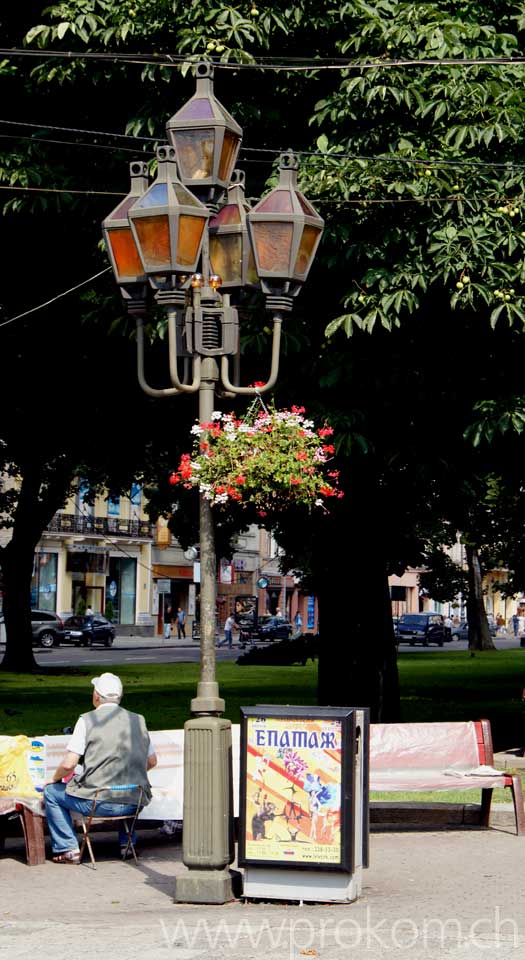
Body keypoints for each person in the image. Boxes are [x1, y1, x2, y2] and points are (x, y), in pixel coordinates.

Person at [43, 672, 157, 864]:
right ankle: (127, 844)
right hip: (133, 801)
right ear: (120, 696)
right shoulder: (138, 720)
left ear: (96, 696)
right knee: (127, 785)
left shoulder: (88, 720)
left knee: (51, 793)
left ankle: (68, 848)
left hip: (97, 802)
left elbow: (69, 764)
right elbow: (152, 761)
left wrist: (53, 779)